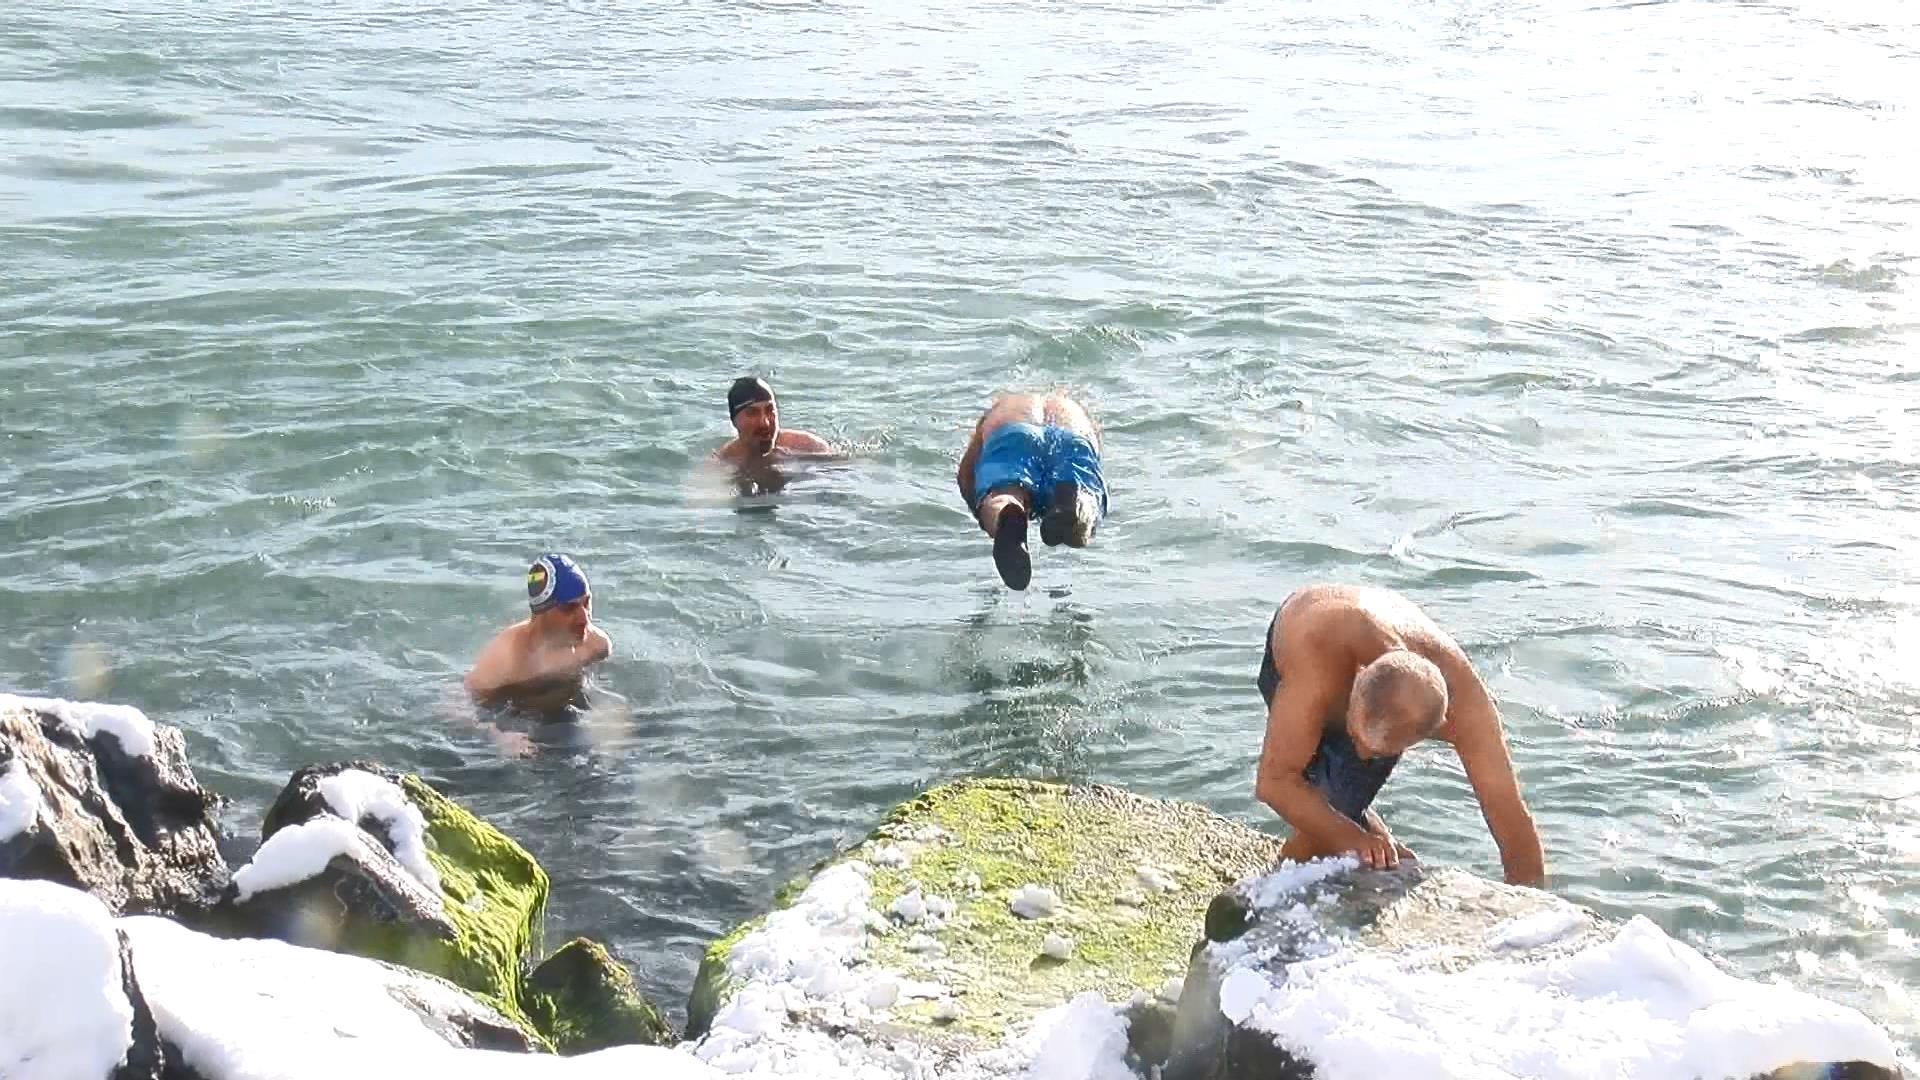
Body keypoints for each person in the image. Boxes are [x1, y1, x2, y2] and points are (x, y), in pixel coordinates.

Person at [1252, 583, 1546, 888]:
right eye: (1355, 734)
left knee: (1343, 794)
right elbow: (1273, 783)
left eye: (1377, 753)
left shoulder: (1469, 712)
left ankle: (1375, 841)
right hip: (1298, 631)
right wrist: (1353, 838)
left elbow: (1512, 825)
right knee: (1334, 804)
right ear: (1359, 676)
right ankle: (1272, 889)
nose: (1362, 755)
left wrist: (1531, 914)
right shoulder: (1316, 664)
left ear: (1436, 730)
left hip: (1378, 670)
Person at [955, 391, 1107, 591]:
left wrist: (981, 507)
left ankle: (1006, 511)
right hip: (1074, 435)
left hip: (1012, 431)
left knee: (1003, 494)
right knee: (1084, 498)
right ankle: (1072, 504)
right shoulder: (1075, 410)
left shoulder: (1004, 407)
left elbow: (967, 473)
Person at [464, 554, 612, 710]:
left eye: (586, 603)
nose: (584, 619)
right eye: (569, 608)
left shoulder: (596, 647)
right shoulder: (507, 658)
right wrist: (495, 731)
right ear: (542, 611)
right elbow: (465, 704)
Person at [713, 376, 836, 466]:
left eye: (769, 410)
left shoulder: (810, 448)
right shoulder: (722, 463)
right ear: (734, 421)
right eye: (752, 413)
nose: (764, 423)